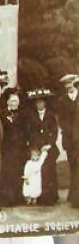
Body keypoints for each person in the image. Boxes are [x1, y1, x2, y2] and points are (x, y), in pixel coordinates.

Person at [25, 88, 59, 205]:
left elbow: (54, 132)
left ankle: (51, 197)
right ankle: (38, 195)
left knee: (49, 170)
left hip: (49, 148)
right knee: (37, 172)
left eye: (42, 102)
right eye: (37, 102)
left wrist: (49, 144)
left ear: (45, 103)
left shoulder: (50, 115)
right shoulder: (31, 116)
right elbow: (30, 132)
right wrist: (36, 147)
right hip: (37, 148)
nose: (39, 104)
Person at [0, 87, 27, 207]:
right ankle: (8, 198)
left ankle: (18, 197)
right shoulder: (1, 114)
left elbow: (27, 131)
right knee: (7, 172)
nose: (15, 103)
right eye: (13, 101)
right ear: (8, 101)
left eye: (17, 101)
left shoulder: (23, 114)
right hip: (7, 148)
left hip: (20, 148)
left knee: (18, 171)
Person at [58, 74, 79, 202]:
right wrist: (70, 132)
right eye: (65, 84)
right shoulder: (62, 100)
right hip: (70, 139)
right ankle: (73, 195)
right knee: (72, 165)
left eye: (70, 83)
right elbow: (62, 120)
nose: (68, 86)